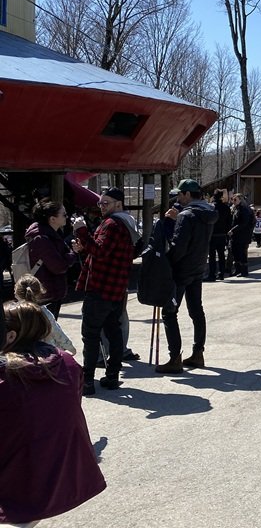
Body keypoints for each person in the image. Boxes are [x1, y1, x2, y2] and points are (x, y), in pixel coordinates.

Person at [0, 301, 107, 524]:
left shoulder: (6, 377)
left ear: (10, 336)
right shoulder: (68, 363)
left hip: (21, 490)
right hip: (70, 477)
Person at [71, 187, 139, 395]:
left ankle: (88, 381)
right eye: (100, 203)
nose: (101, 206)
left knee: (91, 335)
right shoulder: (127, 223)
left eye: (106, 203)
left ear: (118, 204)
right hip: (116, 288)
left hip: (100, 287)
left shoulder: (111, 224)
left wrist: (81, 231)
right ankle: (112, 376)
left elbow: (100, 251)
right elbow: (103, 251)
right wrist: (85, 246)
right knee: (113, 331)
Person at [157, 179, 219, 375]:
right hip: (198, 266)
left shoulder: (187, 215)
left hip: (182, 270)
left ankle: (175, 358)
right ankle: (198, 353)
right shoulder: (208, 213)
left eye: (180, 194)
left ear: (188, 194)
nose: (178, 198)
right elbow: (194, 237)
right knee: (196, 311)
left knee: (169, 312)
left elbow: (178, 247)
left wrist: (166, 263)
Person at [23, 197, 78, 318]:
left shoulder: (50, 234)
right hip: (45, 295)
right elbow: (58, 267)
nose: (67, 217)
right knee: (47, 328)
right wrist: (73, 254)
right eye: (64, 214)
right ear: (52, 219)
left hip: (50, 292)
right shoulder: (41, 238)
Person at [14, 273, 77, 354]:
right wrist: (69, 346)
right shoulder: (43, 312)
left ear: (16, 293)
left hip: (25, 354)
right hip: (48, 352)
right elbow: (56, 332)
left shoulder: (15, 314)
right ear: (40, 291)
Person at [207, 188, 231, 281]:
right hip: (222, 234)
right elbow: (229, 222)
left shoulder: (210, 207)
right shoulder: (226, 207)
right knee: (221, 255)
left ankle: (212, 274)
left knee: (212, 256)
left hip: (212, 234)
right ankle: (221, 273)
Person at [228, 192, 254, 277]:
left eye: (235, 199)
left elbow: (244, 223)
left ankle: (244, 271)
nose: (233, 201)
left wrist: (233, 230)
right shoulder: (236, 208)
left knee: (242, 253)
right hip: (236, 235)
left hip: (243, 235)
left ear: (240, 200)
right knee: (235, 252)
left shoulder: (244, 209)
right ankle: (237, 269)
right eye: (232, 199)